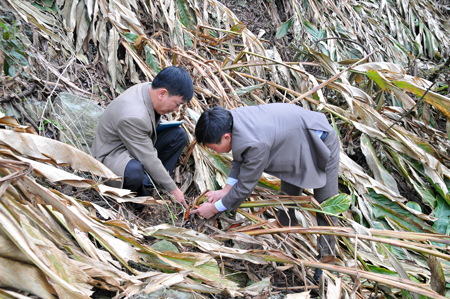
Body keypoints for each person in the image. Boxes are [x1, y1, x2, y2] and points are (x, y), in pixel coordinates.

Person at [191, 103, 340, 278]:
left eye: (213, 147)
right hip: (294, 145)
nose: (213, 151)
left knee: (326, 207)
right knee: (286, 201)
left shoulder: (255, 143)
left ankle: (326, 261)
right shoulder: (231, 121)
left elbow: (245, 186)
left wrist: (215, 207)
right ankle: (284, 246)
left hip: (320, 142)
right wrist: (226, 190)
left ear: (226, 137)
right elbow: (240, 156)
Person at [91, 66, 193, 208]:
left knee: (178, 135)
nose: (176, 109)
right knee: (134, 171)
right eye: (177, 104)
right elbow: (148, 157)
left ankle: (153, 181)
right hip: (110, 157)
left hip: (133, 144)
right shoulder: (133, 116)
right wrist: (173, 189)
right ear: (162, 94)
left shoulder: (148, 89)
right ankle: (140, 200)